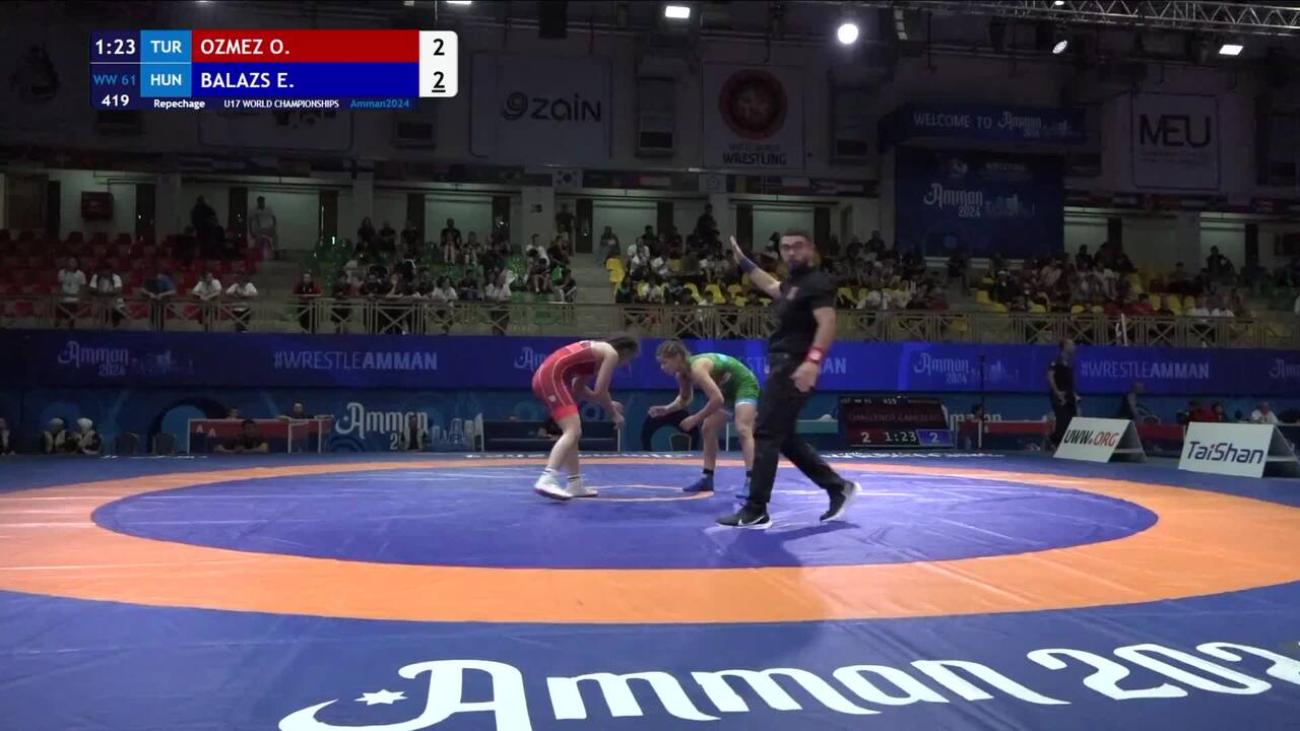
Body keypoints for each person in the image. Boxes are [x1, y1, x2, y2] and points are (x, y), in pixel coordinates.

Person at [717, 233, 860, 529]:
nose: (791, 252)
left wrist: (813, 362)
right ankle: (837, 487)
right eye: (785, 247)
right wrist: (743, 261)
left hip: (794, 366)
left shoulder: (817, 282)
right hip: (784, 364)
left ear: (811, 249)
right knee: (783, 436)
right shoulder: (794, 283)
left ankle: (756, 509)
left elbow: (828, 323)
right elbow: (771, 286)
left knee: (765, 433)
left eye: (798, 246)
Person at [531, 335, 640, 501]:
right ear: (625, 352)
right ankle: (547, 478)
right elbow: (601, 391)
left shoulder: (596, 352)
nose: (626, 364)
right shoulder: (611, 353)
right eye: (629, 359)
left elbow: (579, 388)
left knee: (573, 433)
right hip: (551, 378)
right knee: (573, 431)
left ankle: (574, 483)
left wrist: (608, 403)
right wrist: (614, 413)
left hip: (547, 377)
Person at [650, 340, 758, 496]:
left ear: (677, 357)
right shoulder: (682, 374)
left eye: (664, 362)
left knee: (742, 428)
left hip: (744, 384)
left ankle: (753, 481)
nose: (662, 367)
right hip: (725, 390)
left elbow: (717, 400)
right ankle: (707, 477)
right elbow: (684, 399)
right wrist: (667, 409)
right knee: (708, 428)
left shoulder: (697, 368)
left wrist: (695, 418)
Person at [1048, 338, 1078, 448]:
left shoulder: (1069, 362)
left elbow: (1068, 381)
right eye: (1072, 345)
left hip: (1069, 395)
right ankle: (1054, 441)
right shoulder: (1057, 360)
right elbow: (1050, 376)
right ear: (1065, 346)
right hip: (1060, 396)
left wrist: (1074, 394)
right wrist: (1057, 392)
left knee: (1073, 420)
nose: (1074, 347)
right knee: (1062, 421)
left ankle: (1066, 444)